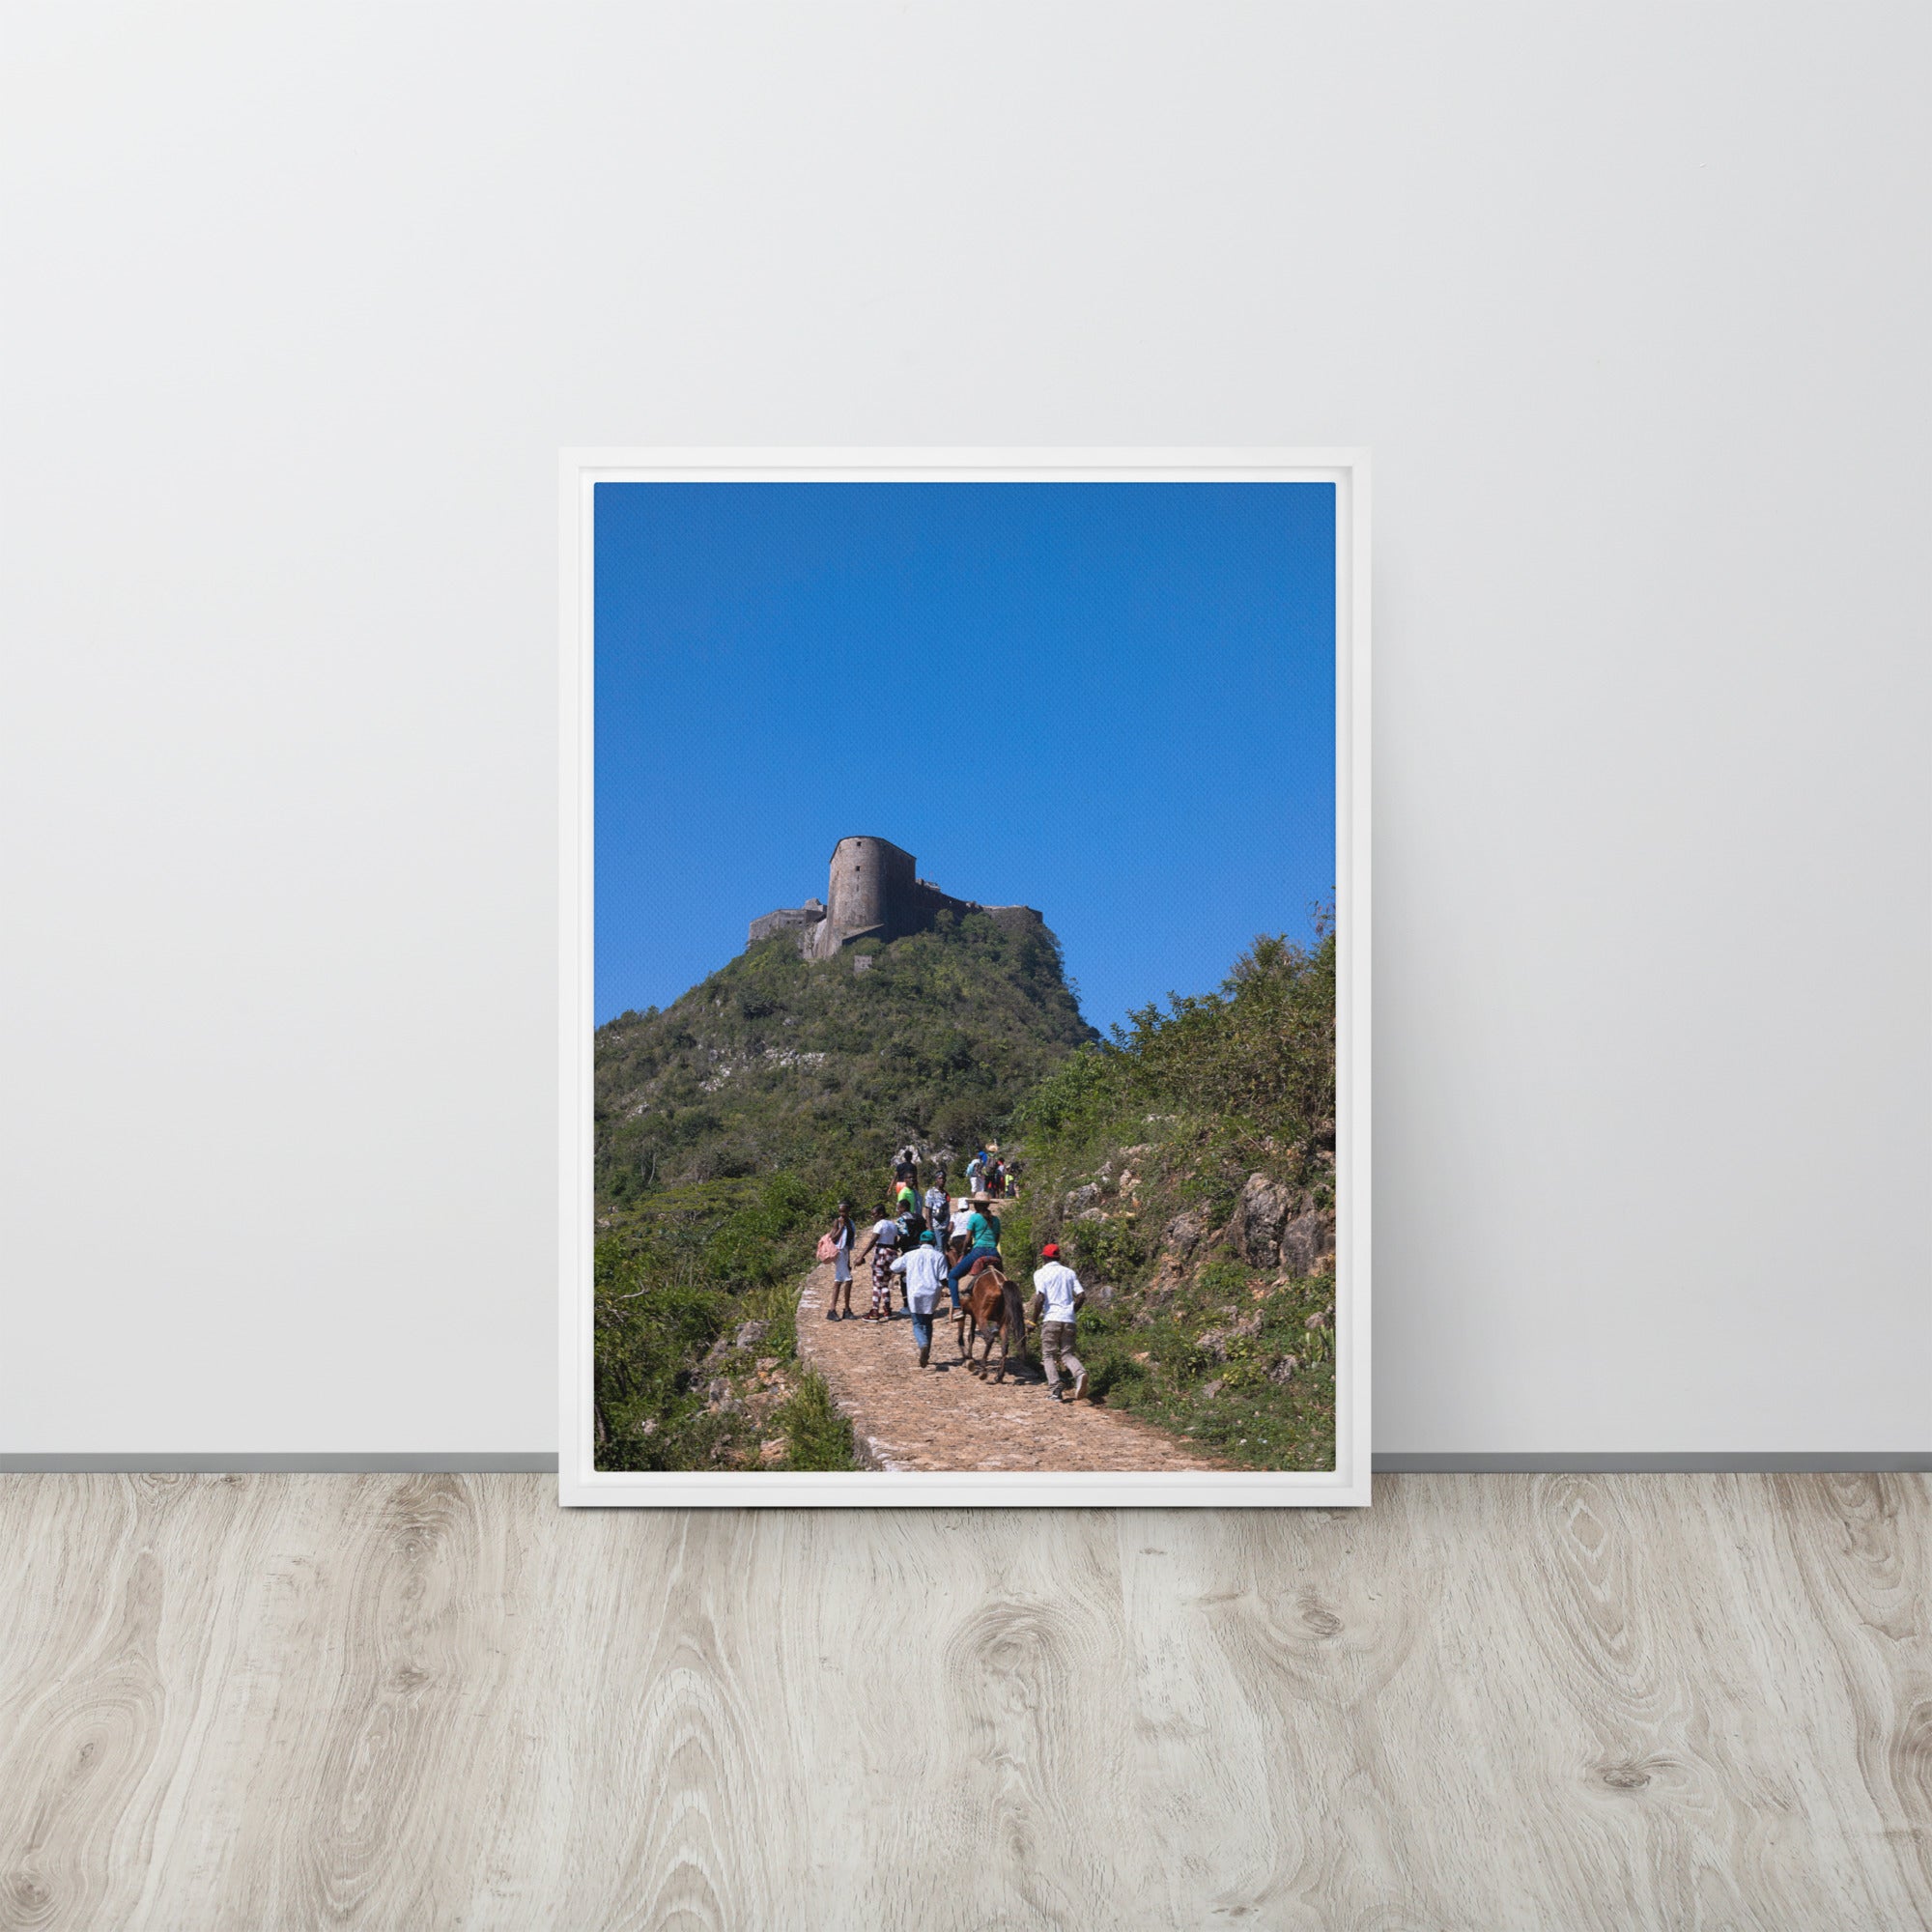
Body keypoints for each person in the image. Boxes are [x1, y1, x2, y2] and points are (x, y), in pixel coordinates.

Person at [1030, 1241, 1088, 1400]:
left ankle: (1056, 1390)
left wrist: (1033, 1322)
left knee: (1048, 1355)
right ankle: (1080, 1373)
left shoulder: (1040, 1273)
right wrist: (1071, 1311)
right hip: (1069, 1319)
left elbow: (1040, 1299)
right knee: (1067, 1354)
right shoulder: (1069, 1272)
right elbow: (1081, 1296)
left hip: (1051, 1318)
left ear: (1044, 1258)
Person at [890, 1229, 949, 1367]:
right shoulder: (939, 1256)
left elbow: (894, 1267)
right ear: (933, 1242)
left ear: (920, 1242)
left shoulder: (910, 1255)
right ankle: (926, 1351)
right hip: (932, 1292)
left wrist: (906, 1270)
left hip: (915, 1291)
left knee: (917, 1323)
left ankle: (923, 1344)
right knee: (928, 1322)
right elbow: (943, 1277)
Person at [946, 1192, 1003, 1301]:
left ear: (976, 1205)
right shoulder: (996, 1220)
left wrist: (963, 1252)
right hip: (994, 1251)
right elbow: (996, 1239)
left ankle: (957, 1306)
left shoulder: (974, 1217)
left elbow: (967, 1239)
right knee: (1002, 1278)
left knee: (953, 1275)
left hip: (979, 1251)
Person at [854, 1205, 902, 1321]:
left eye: (874, 1214)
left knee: (877, 1284)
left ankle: (875, 1311)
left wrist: (861, 1256)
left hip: (881, 1254)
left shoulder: (879, 1225)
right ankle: (887, 1310)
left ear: (880, 1214)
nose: (872, 1217)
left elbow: (873, 1240)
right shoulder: (892, 1225)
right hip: (892, 1254)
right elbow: (895, 1241)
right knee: (885, 1283)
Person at [825, 1202, 856, 1320]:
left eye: (844, 1211)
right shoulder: (838, 1222)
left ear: (848, 1211)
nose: (842, 1214)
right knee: (848, 1280)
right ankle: (847, 1309)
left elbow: (849, 1242)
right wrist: (841, 1227)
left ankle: (831, 1310)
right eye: (841, 1211)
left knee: (838, 1281)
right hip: (839, 1252)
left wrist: (848, 1261)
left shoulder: (851, 1223)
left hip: (845, 1252)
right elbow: (833, 1238)